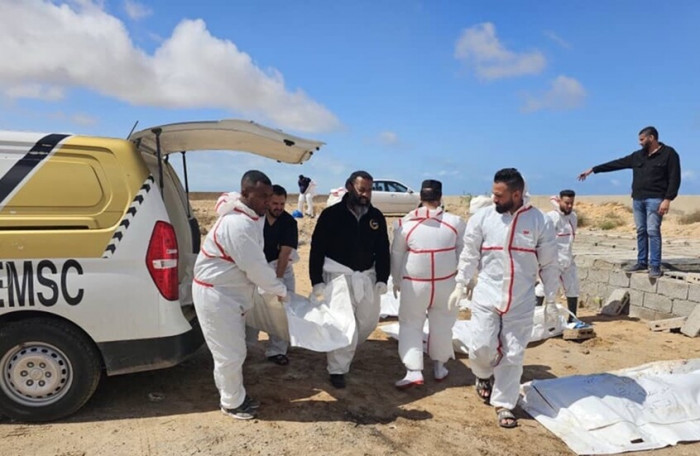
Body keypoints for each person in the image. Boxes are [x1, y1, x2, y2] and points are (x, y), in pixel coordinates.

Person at [450, 168, 558, 429]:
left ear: (517, 194)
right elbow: (469, 254)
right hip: (487, 293)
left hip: (521, 298)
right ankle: (483, 374)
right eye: (493, 193)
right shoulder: (483, 218)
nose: (494, 199)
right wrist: (461, 283)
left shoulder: (540, 221)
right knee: (481, 346)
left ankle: (504, 404)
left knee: (513, 353)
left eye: (499, 195)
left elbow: (549, 263)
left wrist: (552, 297)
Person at [192, 170, 287, 420]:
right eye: (263, 196)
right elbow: (255, 267)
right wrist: (281, 291)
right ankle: (232, 403)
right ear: (246, 193)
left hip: (230, 295)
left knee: (234, 350)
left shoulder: (250, 215)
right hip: (217, 295)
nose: (267, 202)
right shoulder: (238, 225)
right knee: (230, 354)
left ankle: (234, 395)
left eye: (270, 196)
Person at [309, 170, 390, 389]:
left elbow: (383, 249)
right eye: (362, 189)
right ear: (349, 186)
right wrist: (316, 280)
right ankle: (337, 369)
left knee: (368, 321)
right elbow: (317, 249)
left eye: (370, 190)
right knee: (343, 323)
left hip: (366, 278)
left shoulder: (376, 217)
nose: (366, 194)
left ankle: (346, 346)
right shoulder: (331, 215)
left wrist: (383, 278)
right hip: (338, 277)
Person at [390, 179, 466, 389]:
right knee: (443, 324)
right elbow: (464, 252)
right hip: (446, 283)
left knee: (410, 324)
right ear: (440, 197)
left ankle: (413, 370)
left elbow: (396, 255)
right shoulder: (455, 223)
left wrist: (395, 280)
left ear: (420, 197)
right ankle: (440, 367)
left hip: (415, 285)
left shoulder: (406, 225)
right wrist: (463, 279)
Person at [578, 126, 681, 278]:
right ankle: (641, 262)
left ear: (651, 138)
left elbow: (675, 178)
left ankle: (654, 265)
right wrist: (593, 169)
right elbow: (617, 163)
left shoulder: (669, 154)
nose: (639, 143)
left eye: (642, 139)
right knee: (641, 231)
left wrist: (667, 199)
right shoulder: (638, 156)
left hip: (655, 199)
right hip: (638, 199)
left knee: (652, 231)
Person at [246, 184, 298, 365]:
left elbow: (284, 254)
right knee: (251, 306)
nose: (279, 207)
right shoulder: (256, 220)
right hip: (258, 268)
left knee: (281, 311)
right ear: (267, 202)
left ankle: (277, 350)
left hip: (281, 268)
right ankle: (246, 346)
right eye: (275, 203)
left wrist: (277, 282)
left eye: (282, 204)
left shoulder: (289, 223)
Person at [545, 190, 579, 322]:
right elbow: (545, 240)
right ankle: (536, 317)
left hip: (568, 259)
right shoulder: (551, 217)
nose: (569, 206)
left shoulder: (573, 217)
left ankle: (573, 318)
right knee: (544, 288)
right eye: (566, 203)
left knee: (573, 287)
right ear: (560, 201)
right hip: (553, 260)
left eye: (571, 203)